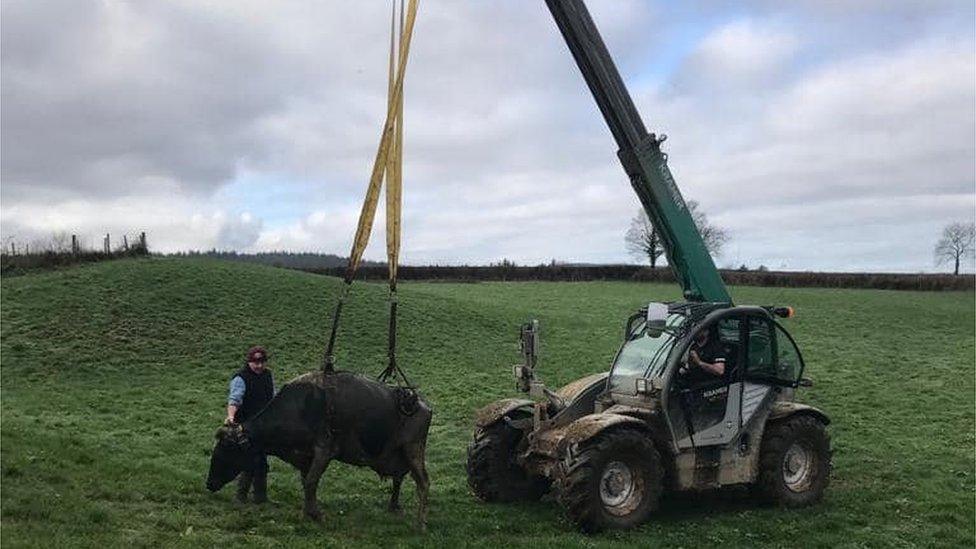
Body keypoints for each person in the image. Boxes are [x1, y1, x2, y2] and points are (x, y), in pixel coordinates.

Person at [225, 345, 275, 503]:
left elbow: (273, 396)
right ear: (249, 362)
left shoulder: (268, 375)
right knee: (250, 461)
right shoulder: (241, 378)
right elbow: (235, 400)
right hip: (245, 426)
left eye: (262, 362)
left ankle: (260, 498)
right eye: (256, 362)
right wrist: (231, 417)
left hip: (263, 425)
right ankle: (240, 497)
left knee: (261, 461)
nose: (259, 366)